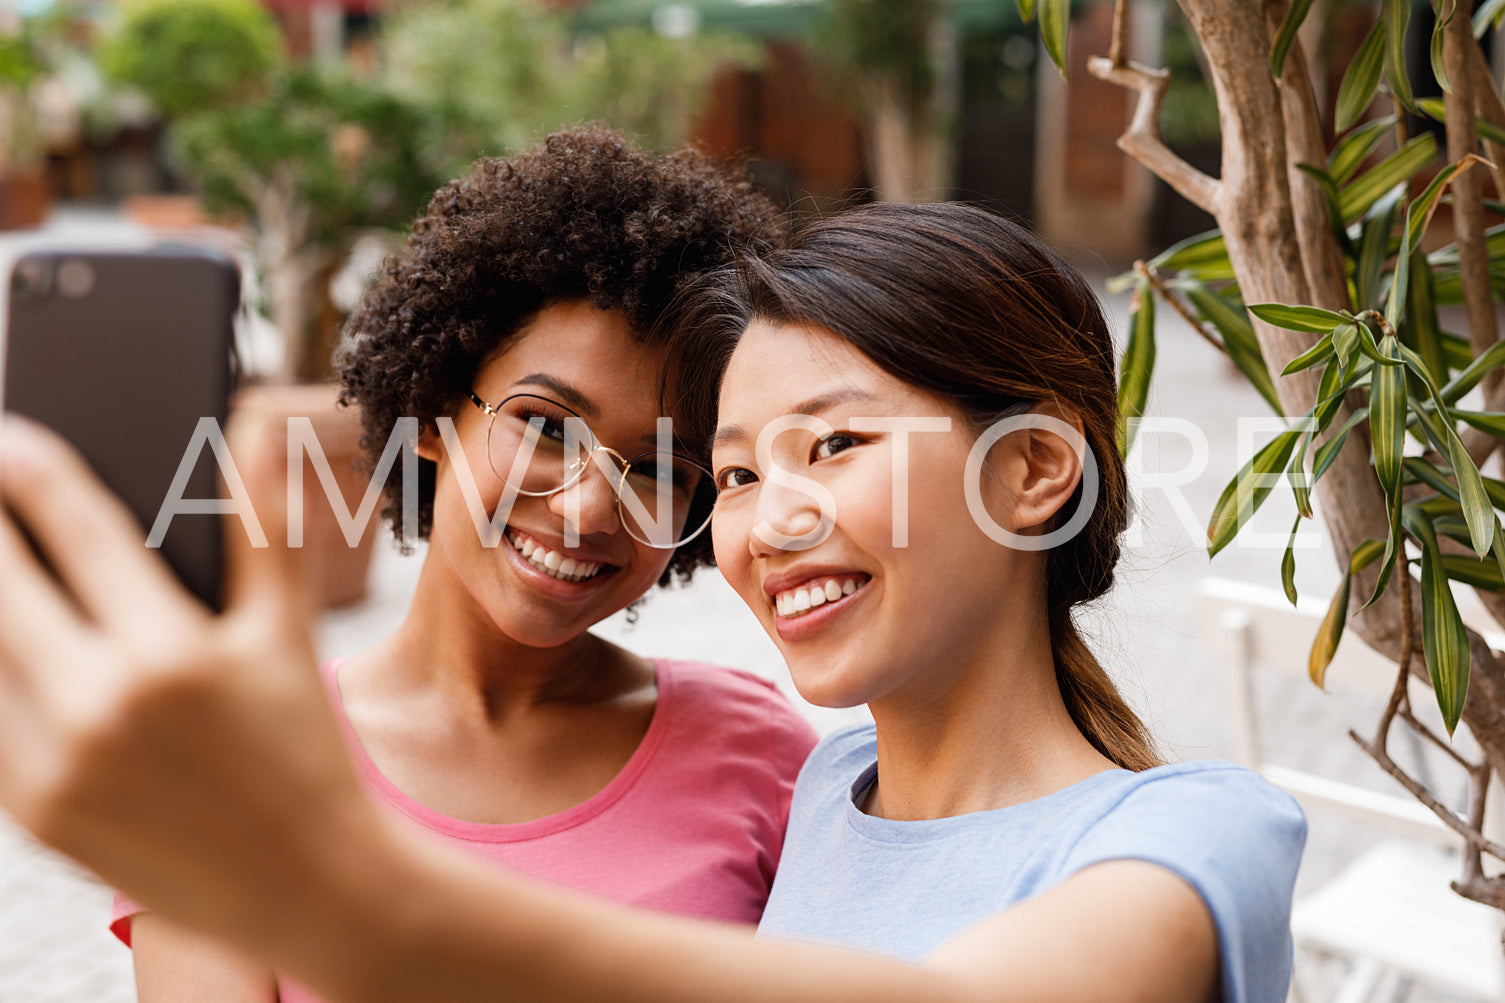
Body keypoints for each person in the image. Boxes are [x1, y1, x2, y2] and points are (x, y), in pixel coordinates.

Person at [0, 201, 1304, 1003]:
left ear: (1030, 470)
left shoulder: (1202, 830)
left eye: (832, 444)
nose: (764, 517)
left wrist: (353, 902)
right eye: (732, 473)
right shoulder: (827, 799)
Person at [110, 125, 818, 1002]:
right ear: (438, 407)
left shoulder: (761, 756)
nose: (588, 506)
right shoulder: (230, 764)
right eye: (546, 427)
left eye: (660, 467)